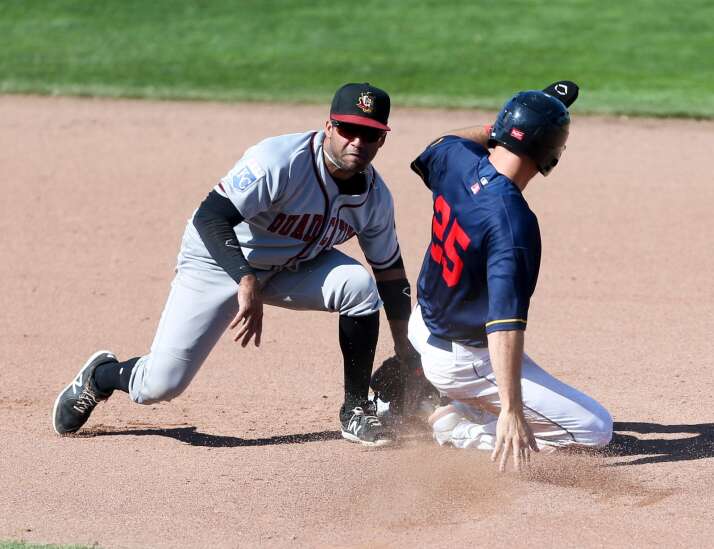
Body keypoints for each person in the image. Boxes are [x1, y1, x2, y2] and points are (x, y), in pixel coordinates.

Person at [53, 82, 419, 447]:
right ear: (328, 127)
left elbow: (390, 274)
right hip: (218, 262)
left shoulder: (375, 198)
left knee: (358, 285)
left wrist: (407, 350)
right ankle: (101, 376)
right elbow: (211, 216)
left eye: (369, 133)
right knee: (160, 384)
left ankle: (355, 410)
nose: (357, 141)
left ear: (382, 141)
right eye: (348, 129)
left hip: (291, 269)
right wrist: (244, 278)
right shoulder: (279, 160)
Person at [407, 82, 613, 471]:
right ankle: (455, 425)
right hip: (464, 360)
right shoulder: (512, 223)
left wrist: (506, 126)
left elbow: (441, 142)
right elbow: (503, 325)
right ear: (550, 155)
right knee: (595, 429)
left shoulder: (457, 159)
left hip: (425, 323)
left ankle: (457, 397)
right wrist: (512, 409)